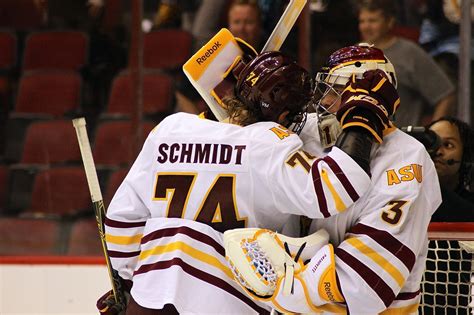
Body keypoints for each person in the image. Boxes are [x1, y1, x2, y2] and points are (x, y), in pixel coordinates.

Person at [95, 43, 402, 314]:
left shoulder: (171, 128)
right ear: (284, 117)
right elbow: (337, 187)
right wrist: (364, 119)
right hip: (224, 302)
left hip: (149, 298)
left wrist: (128, 283)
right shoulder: (270, 142)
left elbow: (122, 224)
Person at [224, 44, 442, 314]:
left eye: (336, 92)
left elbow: (365, 284)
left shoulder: (406, 160)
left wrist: (285, 289)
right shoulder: (315, 133)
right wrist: (253, 103)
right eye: (324, 91)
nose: (324, 103)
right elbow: (249, 145)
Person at [357, 0, 456, 127]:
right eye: (362, 21)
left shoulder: (409, 52)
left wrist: (433, 135)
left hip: (402, 141)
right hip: (361, 141)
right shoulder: (354, 54)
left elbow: (445, 95)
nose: (366, 26)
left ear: (390, 22)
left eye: (372, 21)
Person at [421, 116, 474, 313]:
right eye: (432, 142)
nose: (438, 152)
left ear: (466, 155)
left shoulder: (468, 204)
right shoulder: (405, 201)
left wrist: (423, 176)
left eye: (448, 145)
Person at [174, 0, 265, 114]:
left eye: (249, 22)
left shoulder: (271, 51)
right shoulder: (215, 52)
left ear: (259, 24)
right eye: (237, 22)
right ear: (229, 25)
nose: (242, 28)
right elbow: (182, 93)